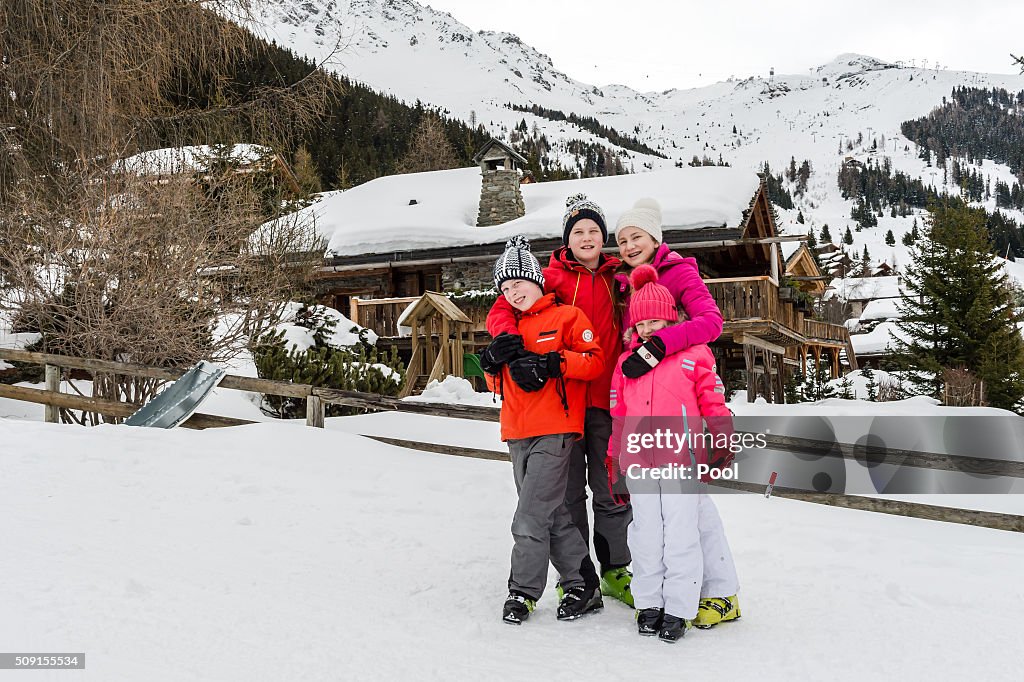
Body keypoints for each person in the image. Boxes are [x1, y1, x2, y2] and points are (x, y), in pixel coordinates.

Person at [485, 193, 634, 607]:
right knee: (566, 495)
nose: (586, 238)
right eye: (577, 231)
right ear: (566, 240)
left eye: (593, 231)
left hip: (605, 397)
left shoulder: (618, 275)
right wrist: (504, 340)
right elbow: (504, 304)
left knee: (611, 490)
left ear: (603, 236)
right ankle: (578, 574)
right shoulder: (548, 278)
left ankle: (616, 569)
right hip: (560, 406)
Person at [606, 264, 741, 643]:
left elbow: (713, 403)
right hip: (639, 462)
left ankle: (679, 607)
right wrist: (614, 461)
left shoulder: (694, 355)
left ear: (672, 318)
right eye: (641, 322)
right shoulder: (625, 365)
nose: (648, 328)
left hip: (682, 460)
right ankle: (649, 603)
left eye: (656, 320)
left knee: (681, 534)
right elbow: (619, 416)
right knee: (646, 534)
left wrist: (720, 442)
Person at [481, 235, 606, 624]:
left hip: (556, 430)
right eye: (505, 287)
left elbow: (595, 362)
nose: (512, 291)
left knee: (530, 516)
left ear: (536, 280)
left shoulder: (567, 317)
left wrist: (556, 363)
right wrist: (490, 363)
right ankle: (582, 584)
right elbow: (498, 385)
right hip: (517, 431)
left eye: (517, 282)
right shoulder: (509, 329)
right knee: (551, 513)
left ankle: (522, 592)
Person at [613, 197, 724, 381]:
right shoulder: (621, 283)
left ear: (655, 241)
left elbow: (711, 322)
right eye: (622, 242)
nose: (629, 246)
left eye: (636, 237)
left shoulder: (679, 272)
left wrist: (661, 344)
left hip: (675, 378)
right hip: (637, 385)